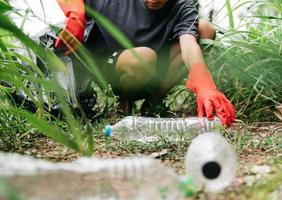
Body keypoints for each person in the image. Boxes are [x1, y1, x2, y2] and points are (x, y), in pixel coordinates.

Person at [55, 0, 235, 127]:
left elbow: (188, 42)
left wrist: (203, 80)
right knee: (144, 56)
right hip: (113, 70)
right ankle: (123, 104)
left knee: (205, 29)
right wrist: (75, 14)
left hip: (155, 68)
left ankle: (154, 101)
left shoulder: (181, 6)